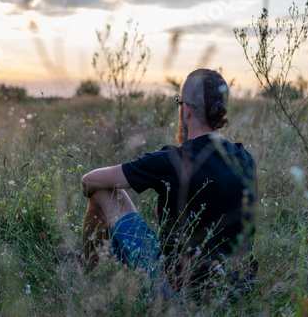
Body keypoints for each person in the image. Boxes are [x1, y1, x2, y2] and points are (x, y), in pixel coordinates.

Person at [81, 68, 258, 295]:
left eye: (178, 102)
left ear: (185, 110)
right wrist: (169, 210)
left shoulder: (172, 160)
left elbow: (88, 181)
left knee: (103, 192)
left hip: (178, 290)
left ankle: (86, 270)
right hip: (233, 290)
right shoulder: (246, 159)